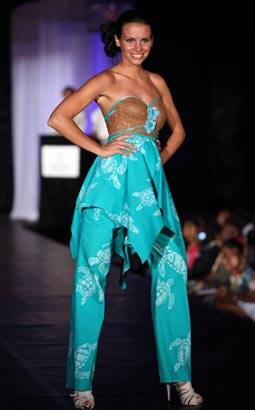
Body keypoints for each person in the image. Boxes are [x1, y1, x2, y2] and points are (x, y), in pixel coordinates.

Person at [47, 10, 203, 409]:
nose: (138, 48)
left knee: (171, 271)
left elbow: (179, 130)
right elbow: (59, 118)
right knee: (91, 278)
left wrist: (156, 161)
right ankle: (81, 383)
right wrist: (100, 149)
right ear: (117, 40)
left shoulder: (157, 82)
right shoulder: (106, 80)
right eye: (130, 40)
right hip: (108, 191)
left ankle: (179, 377)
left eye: (145, 40)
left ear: (152, 42)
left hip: (151, 195)